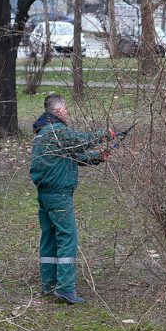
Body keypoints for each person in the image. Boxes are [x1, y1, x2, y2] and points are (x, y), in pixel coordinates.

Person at [30, 93, 113, 304]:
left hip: (45, 195)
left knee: (49, 237)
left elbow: (69, 158)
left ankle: (48, 284)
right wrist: (106, 134)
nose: (68, 112)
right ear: (58, 111)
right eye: (66, 109)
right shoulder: (57, 132)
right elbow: (79, 142)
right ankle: (65, 288)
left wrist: (97, 158)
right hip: (59, 196)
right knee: (67, 238)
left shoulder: (43, 133)